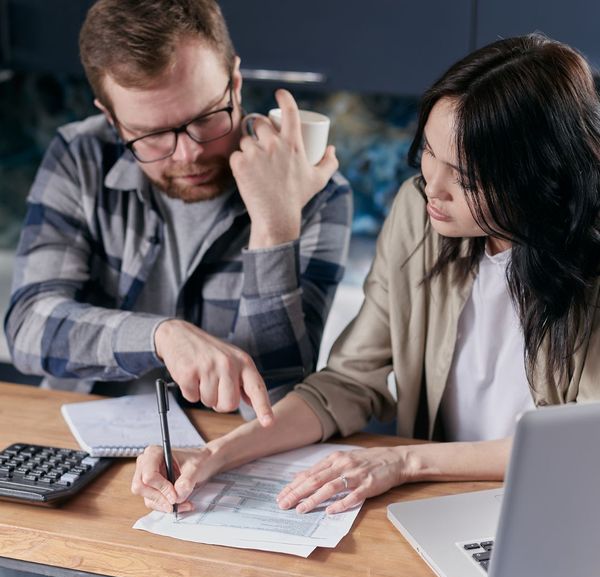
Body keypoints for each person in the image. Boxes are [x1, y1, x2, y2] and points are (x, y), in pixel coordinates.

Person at [131, 33, 600, 518]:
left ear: (540, 177)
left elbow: (584, 443)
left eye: (466, 177)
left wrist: (403, 461)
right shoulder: (417, 216)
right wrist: (215, 455)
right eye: (430, 153)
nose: (432, 187)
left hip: (555, 509)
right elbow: (350, 382)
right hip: (437, 504)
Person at [3, 0, 352, 424]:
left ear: (236, 83)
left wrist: (274, 228)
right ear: (112, 121)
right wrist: (161, 336)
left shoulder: (316, 191)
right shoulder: (81, 156)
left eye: (206, 118)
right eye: (150, 135)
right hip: (81, 432)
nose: (190, 154)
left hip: (226, 452)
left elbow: (279, 401)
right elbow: (27, 328)